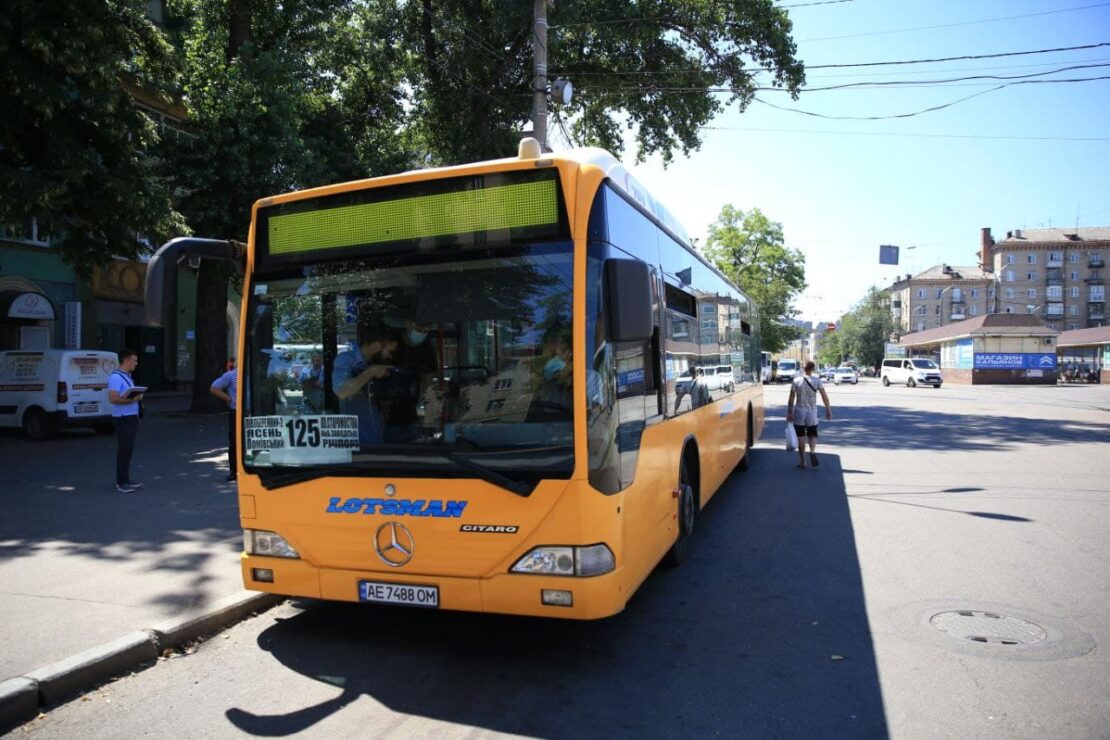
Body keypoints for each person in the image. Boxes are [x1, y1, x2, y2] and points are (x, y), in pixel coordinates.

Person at [332, 331, 399, 446]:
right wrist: (370, 372)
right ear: (377, 346)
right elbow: (342, 392)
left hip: (376, 437)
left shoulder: (372, 364)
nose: (390, 356)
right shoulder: (347, 360)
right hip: (356, 443)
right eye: (389, 351)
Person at [107, 349, 144, 492]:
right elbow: (113, 398)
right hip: (122, 419)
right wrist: (133, 399)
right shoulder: (116, 377)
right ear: (127, 360)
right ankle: (121, 482)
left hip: (130, 418)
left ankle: (126, 479)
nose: (136, 363)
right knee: (124, 450)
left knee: (128, 450)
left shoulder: (127, 376)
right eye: (134, 360)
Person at [786, 360, 832, 469]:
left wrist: (789, 412)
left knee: (800, 436)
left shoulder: (796, 381)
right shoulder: (817, 380)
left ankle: (803, 461)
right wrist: (828, 410)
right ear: (813, 369)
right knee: (812, 434)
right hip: (812, 412)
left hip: (799, 411)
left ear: (804, 368)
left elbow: (791, 398)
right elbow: (824, 396)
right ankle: (812, 451)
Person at [210, 359, 238, 482]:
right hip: (237, 412)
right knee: (234, 442)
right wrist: (228, 399)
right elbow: (214, 388)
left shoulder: (257, 373)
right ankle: (234, 471)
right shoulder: (232, 375)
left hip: (254, 412)